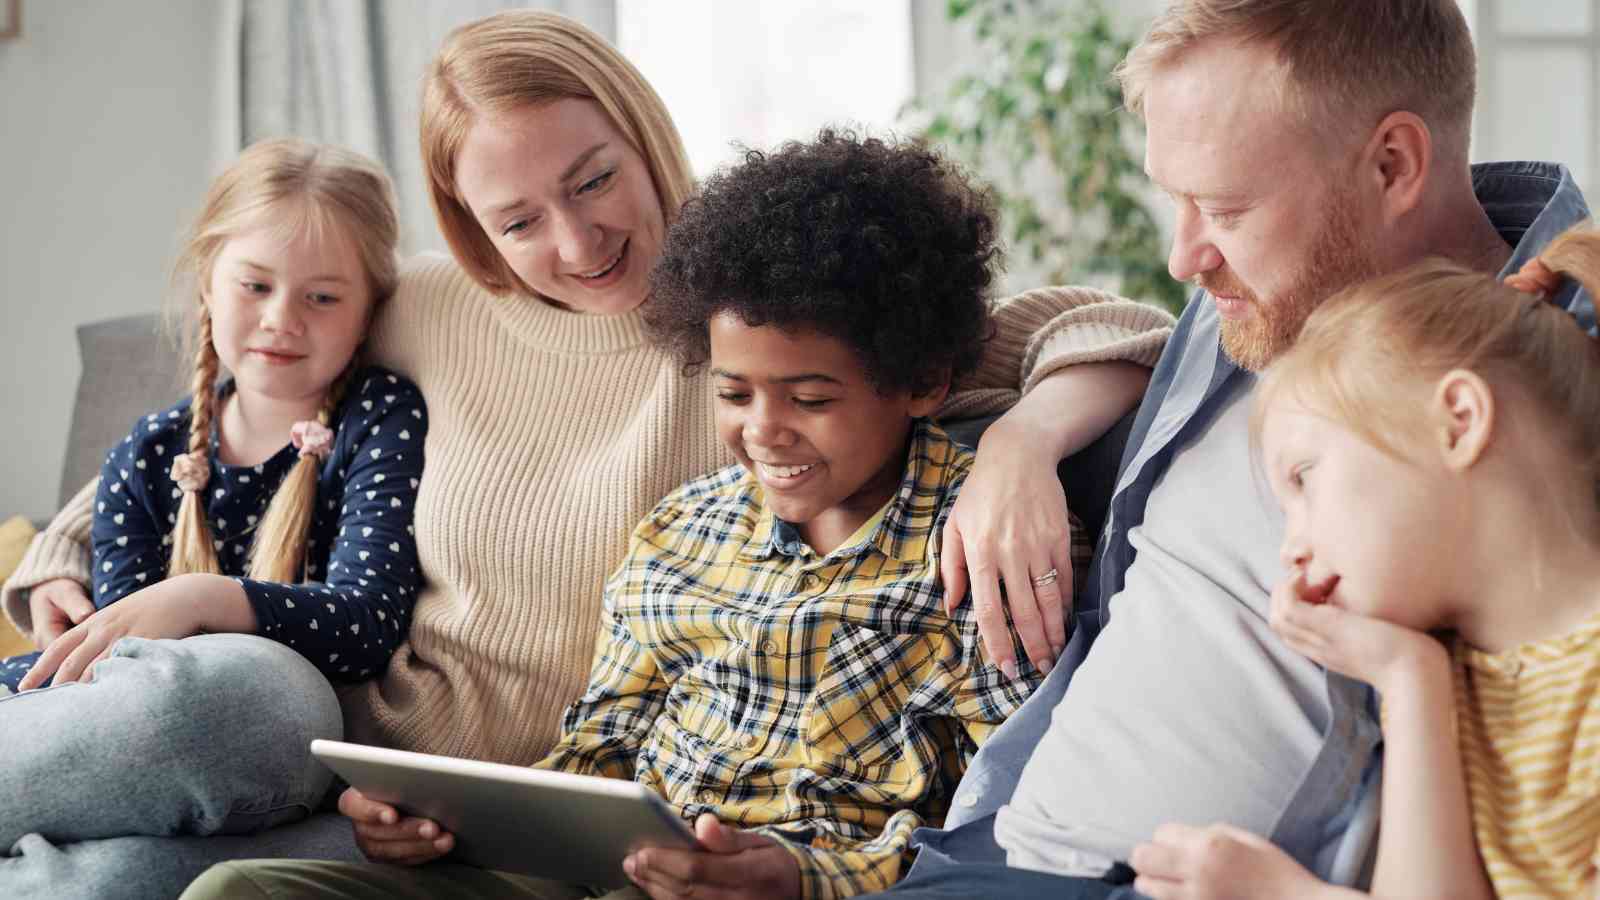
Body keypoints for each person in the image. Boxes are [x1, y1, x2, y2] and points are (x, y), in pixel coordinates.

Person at [0, 12, 1171, 899]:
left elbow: (1107, 328)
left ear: (638, 128)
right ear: (469, 228)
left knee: (115, 883)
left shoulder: (759, 297)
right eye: (515, 221)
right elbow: (252, 368)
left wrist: (1021, 442)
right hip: (358, 751)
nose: (573, 241)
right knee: (223, 704)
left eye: (593, 179)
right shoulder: (429, 307)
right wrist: (63, 548)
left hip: (553, 819)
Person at [184, 127, 1102, 900]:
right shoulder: (681, 533)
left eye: (810, 398)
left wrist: (807, 876)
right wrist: (450, 819)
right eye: (735, 393)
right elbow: (600, 753)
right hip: (601, 873)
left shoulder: (985, 545)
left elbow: (1006, 826)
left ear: (924, 381)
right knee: (241, 890)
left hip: (793, 883)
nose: (764, 431)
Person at [859, 1, 1598, 898]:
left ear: (1392, 164)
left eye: (1224, 207)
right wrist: (1023, 439)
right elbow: (1036, 332)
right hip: (993, 853)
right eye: (1173, 199)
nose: (1182, 257)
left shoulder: (1551, 381)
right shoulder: (1240, 307)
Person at [1128, 231, 1600, 899]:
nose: (1289, 548)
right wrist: (1411, 679)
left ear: (1459, 422)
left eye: (1305, 478)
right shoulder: (1454, 677)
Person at [0, 136, 425, 865]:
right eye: (254, 286)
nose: (282, 318)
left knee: (218, 702)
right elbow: (115, 673)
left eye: (322, 296)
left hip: (277, 741)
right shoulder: (152, 448)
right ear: (207, 283)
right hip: (133, 747)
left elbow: (369, 622)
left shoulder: (379, 418)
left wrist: (209, 599)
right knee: (114, 874)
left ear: (368, 311)